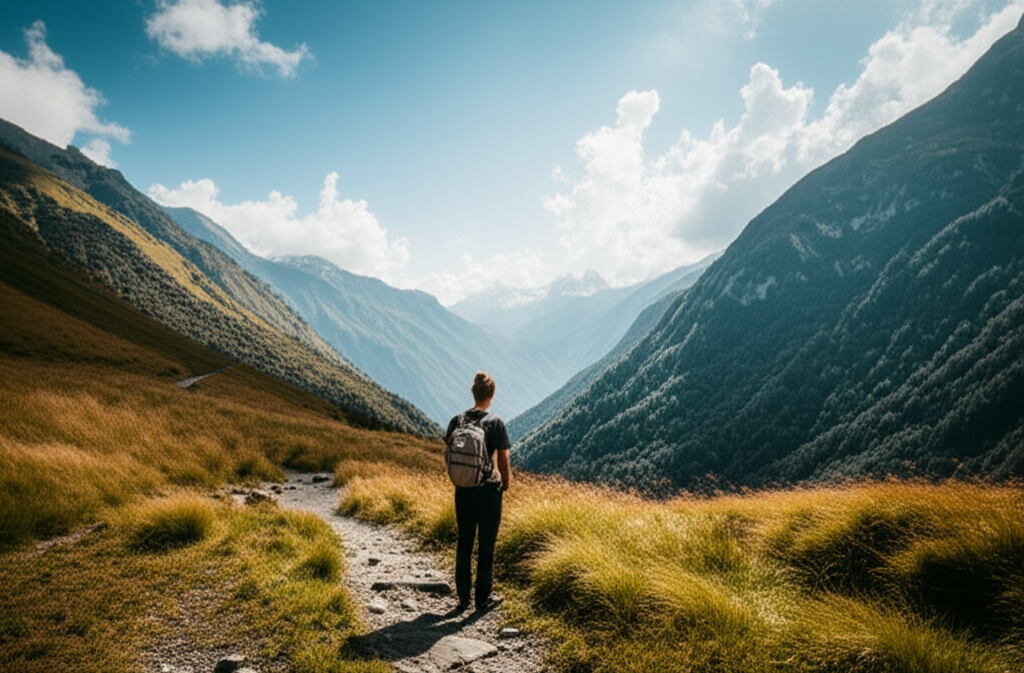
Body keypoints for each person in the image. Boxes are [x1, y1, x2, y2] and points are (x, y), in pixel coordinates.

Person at [444, 371, 511, 612]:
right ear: (491, 395)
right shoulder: (495, 423)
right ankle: (483, 597)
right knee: (486, 543)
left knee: (464, 541)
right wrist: (505, 483)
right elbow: (502, 460)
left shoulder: (457, 420)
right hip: (488, 492)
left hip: (463, 490)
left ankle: (463, 596)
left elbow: (450, 454)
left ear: (473, 393)